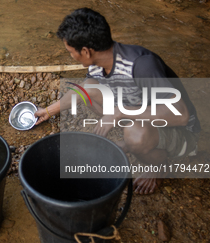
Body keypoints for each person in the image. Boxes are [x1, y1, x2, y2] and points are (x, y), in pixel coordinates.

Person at [34, 8, 201, 194]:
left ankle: (158, 166)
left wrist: (120, 112)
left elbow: (182, 115)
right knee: (87, 89)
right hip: (143, 113)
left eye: (70, 51)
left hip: (180, 130)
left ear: (86, 51)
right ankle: (129, 141)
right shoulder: (99, 63)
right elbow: (85, 90)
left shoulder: (141, 64)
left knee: (135, 134)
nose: (70, 56)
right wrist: (48, 111)